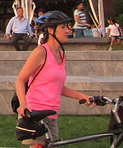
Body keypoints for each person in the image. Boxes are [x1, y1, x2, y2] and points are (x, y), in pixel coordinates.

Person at [14, 11, 93, 144]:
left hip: (51, 114)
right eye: (63, 27)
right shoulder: (41, 52)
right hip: (35, 113)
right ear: (51, 30)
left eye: (68, 27)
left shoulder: (61, 55)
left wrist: (82, 96)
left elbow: (58, 87)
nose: (68, 30)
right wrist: (23, 105)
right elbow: (20, 81)